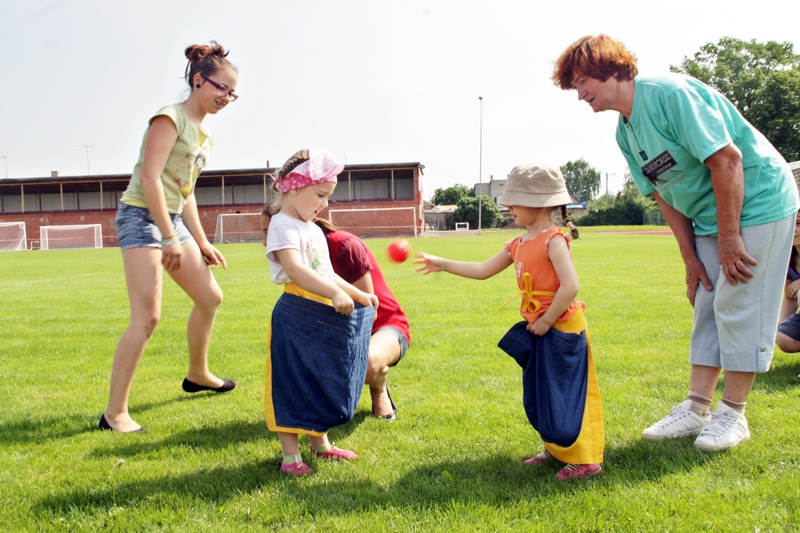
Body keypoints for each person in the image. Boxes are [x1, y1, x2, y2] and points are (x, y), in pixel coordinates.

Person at [553, 35, 799, 451]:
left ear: (609, 69)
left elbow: (727, 159)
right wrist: (690, 258)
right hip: (708, 216)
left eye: (582, 82)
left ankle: (733, 414)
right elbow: (663, 194)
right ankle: (697, 408)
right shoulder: (625, 132)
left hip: (759, 202)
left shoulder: (670, 95)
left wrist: (730, 239)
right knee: (706, 299)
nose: (579, 95)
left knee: (738, 300)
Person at [414, 164, 604, 480]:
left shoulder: (554, 240)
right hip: (539, 326)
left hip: (562, 326)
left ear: (539, 203)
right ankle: (556, 448)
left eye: (515, 201)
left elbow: (571, 286)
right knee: (543, 390)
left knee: (569, 391)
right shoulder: (517, 243)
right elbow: (483, 270)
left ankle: (586, 459)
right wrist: (443, 264)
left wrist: (546, 321)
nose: (508, 207)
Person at [100, 41, 238, 434]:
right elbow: (150, 179)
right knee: (147, 317)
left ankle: (198, 374)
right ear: (198, 81)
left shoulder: (204, 134)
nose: (226, 98)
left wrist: (201, 240)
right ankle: (115, 413)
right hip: (141, 217)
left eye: (232, 93)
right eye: (221, 88)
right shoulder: (169, 118)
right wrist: (167, 236)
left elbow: (184, 190)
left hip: (171, 220)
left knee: (210, 297)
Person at [265, 149, 378, 476]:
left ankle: (321, 445)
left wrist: (358, 293)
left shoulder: (313, 228)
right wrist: (333, 293)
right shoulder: (282, 225)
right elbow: (296, 270)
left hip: (323, 313)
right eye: (320, 195)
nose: (325, 204)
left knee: (321, 377)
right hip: (297, 313)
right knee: (291, 381)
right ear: (294, 188)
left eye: (328, 196)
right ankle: (290, 458)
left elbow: (326, 273)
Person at [261, 209, 411, 419]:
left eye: (269, 233)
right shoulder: (295, 261)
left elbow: (368, 313)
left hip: (383, 326)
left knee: (366, 365)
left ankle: (378, 385)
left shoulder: (344, 245)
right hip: (340, 326)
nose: (265, 243)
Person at [776, 214, 800, 354]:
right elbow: (789, 297)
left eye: (798, 223)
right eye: (790, 222)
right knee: (782, 338)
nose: (793, 228)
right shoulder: (787, 258)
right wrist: (780, 324)